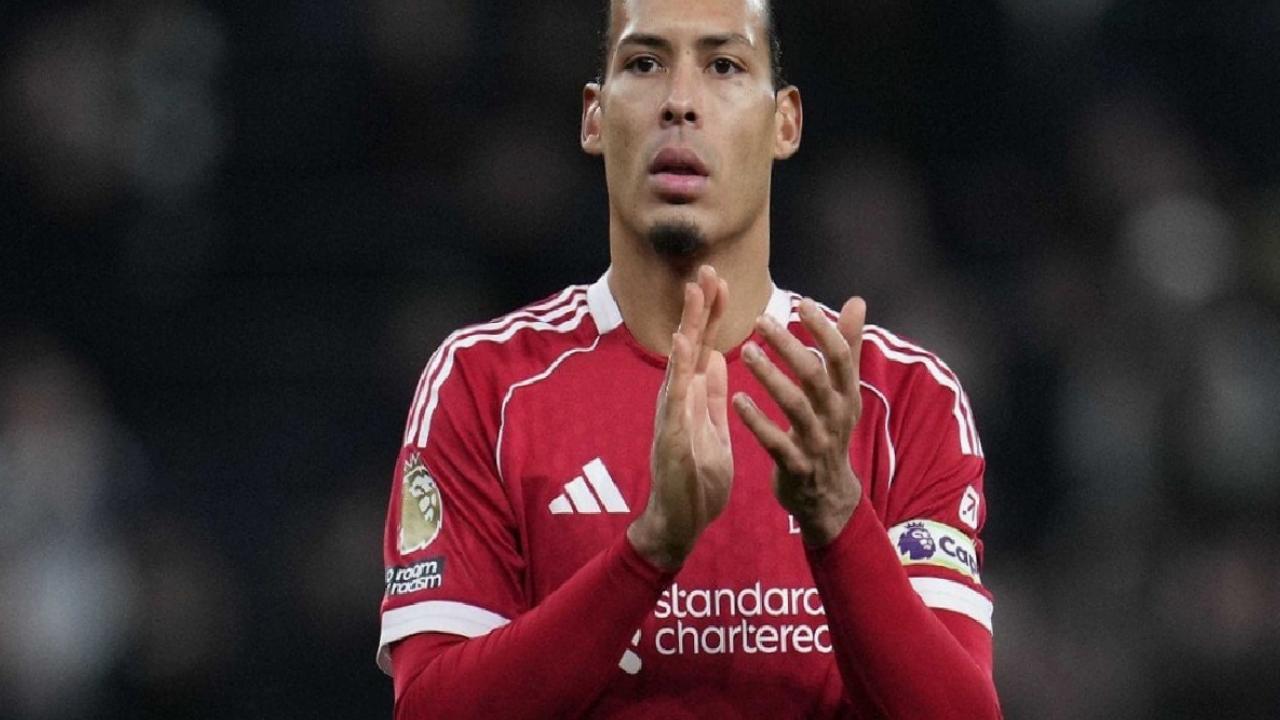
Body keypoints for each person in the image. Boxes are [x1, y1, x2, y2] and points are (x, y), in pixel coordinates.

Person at [378, 0, 1001, 716]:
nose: (680, 102)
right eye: (645, 64)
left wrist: (836, 512)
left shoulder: (902, 397)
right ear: (593, 117)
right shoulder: (485, 384)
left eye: (724, 66)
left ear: (785, 122)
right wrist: (649, 550)